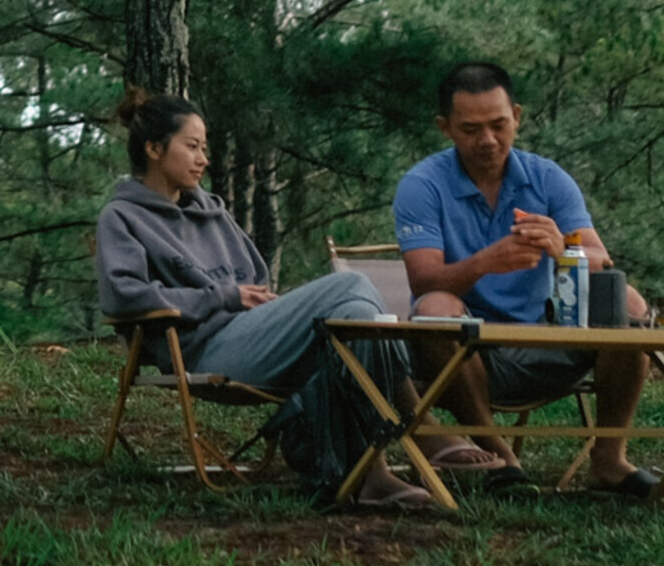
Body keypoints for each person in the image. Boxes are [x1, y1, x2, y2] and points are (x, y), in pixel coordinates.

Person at [94, 88, 428, 510]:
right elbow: (124, 296)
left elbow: (254, 279)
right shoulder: (122, 217)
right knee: (351, 285)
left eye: (205, 148)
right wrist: (223, 296)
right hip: (203, 349)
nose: (204, 158)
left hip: (251, 337)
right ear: (154, 148)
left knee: (356, 312)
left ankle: (370, 475)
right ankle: (427, 434)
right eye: (192, 146)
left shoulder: (211, 211)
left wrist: (255, 302)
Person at [392, 61, 657, 495]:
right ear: (445, 128)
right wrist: (485, 262)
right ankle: (500, 457)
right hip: (464, 355)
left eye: (498, 125)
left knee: (624, 300)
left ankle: (610, 460)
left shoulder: (547, 178)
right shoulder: (423, 185)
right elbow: (424, 281)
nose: (488, 140)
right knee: (435, 307)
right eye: (471, 129)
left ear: (517, 116)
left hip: (550, 340)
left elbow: (601, 263)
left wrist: (562, 249)